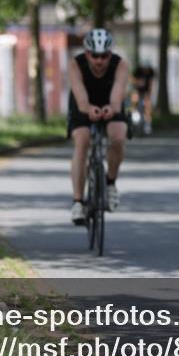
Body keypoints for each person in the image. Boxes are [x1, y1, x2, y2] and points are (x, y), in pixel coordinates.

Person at [67, 28, 129, 225]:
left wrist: (112, 109)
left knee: (118, 136)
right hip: (82, 102)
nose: (99, 61)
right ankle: (78, 201)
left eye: (104, 56)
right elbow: (80, 95)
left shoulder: (121, 65)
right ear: (87, 54)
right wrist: (88, 109)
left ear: (110, 54)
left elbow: (118, 96)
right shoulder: (75, 64)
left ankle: (110, 182)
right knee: (82, 140)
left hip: (110, 101)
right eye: (95, 56)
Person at [130, 60, 156, 135]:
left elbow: (151, 83)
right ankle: (134, 120)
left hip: (146, 92)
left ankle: (147, 125)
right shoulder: (138, 71)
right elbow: (131, 78)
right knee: (135, 100)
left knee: (148, 106)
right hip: (137, 90)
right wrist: (138, 82)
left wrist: (150, 95)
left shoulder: (151, 72)